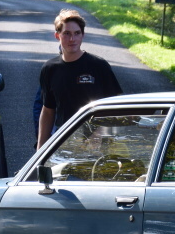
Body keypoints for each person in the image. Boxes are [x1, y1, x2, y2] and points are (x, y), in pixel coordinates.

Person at [36, 9, 123, 148]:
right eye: (67, 33)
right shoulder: (49, 69)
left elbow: (116, 107)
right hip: (64, 141)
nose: (72, 39)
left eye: (77, 33)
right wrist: (40, 148)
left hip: (97, 144)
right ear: (57, 36)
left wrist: (101, 132)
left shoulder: (99, 66)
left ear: (83, 35)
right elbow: (48, 110)